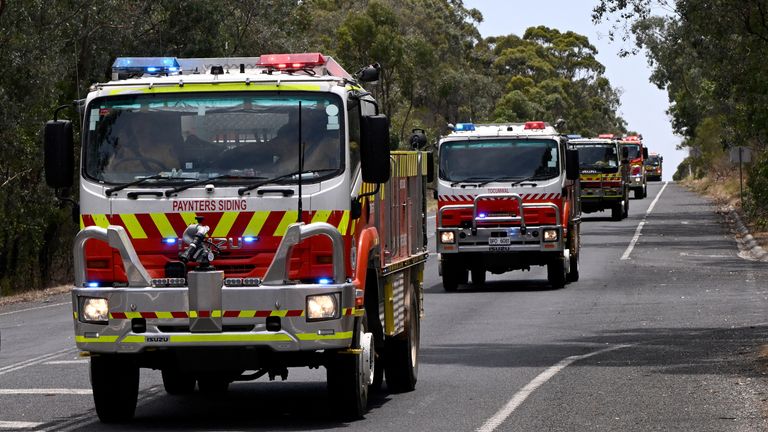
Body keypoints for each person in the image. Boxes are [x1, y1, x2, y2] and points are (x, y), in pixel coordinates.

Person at [107, 115, 180, 173]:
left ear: (151, 127)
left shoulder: (165, 150)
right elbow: (110, 173)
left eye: (145, 122)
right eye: (136, 122)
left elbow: (175, 172)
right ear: (132, 128)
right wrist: (118, 153)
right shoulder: (124, 153)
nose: (141, 126)